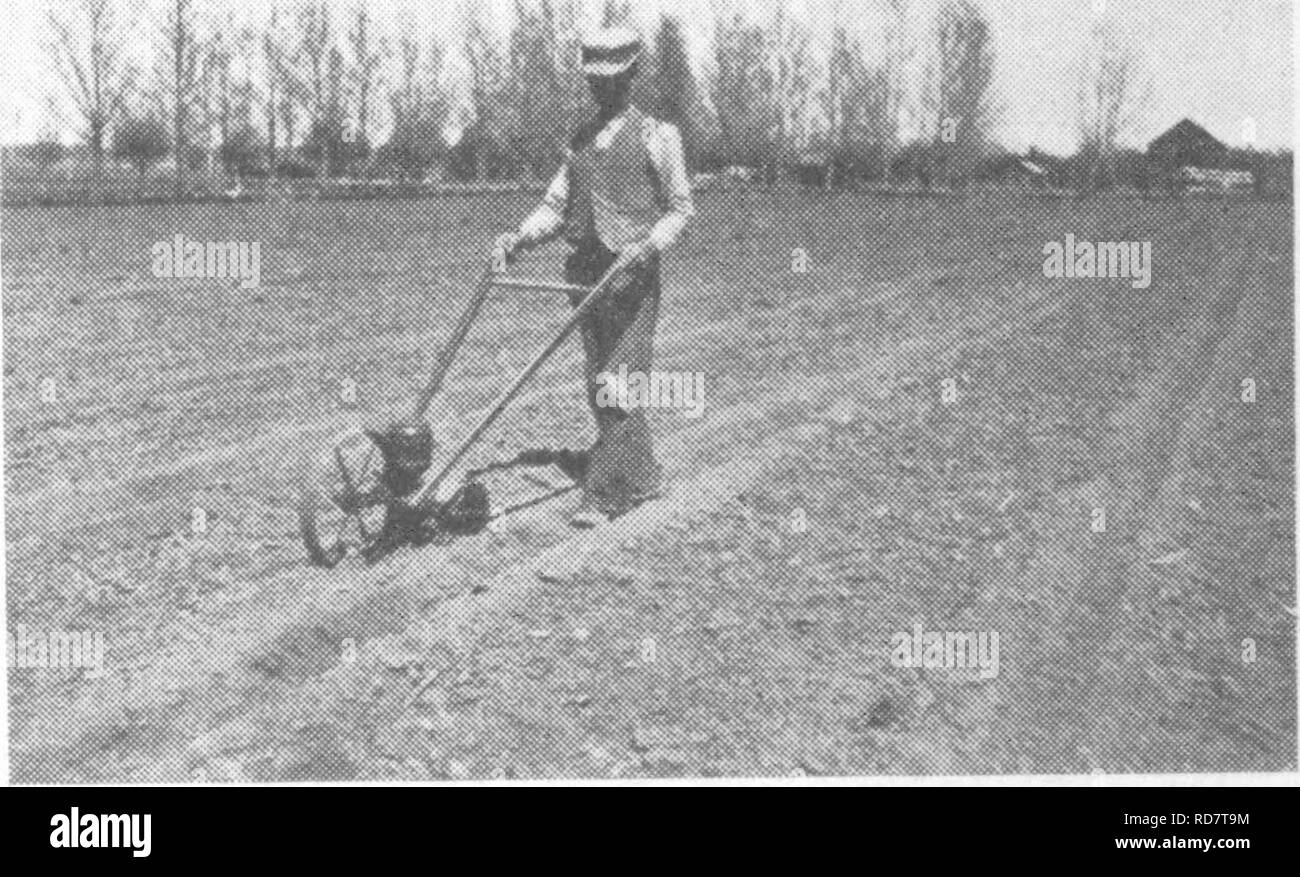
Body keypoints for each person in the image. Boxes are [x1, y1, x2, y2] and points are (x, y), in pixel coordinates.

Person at [493, 25, 694, 529]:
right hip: (585, 274)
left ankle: (605, 493)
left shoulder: (658, 136)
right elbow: (556, 205)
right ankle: (644, 475)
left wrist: (646, 245)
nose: (601, 88)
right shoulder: (579, 142)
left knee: (619, 382)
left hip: (631, 277)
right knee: (599, 380)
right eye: (594, 80)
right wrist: (518, 237)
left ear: (630, 77)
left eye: (612, 79)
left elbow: (680, 209)